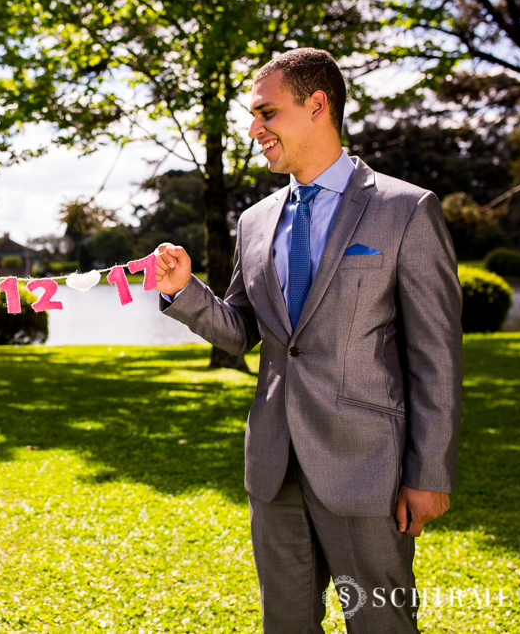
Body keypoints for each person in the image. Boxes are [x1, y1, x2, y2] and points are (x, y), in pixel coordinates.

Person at [154, 49, 462, 633]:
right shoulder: (254, 221)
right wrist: (184, 292)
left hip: (367, 466)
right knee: (286, 624)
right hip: (274, 464)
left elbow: (436, 356)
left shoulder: (405, 210)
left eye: (266, 113)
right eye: (253, 116)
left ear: (317, 105)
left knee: (381, 626)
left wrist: (431, 472)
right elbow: (244, 329)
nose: (254, 130)